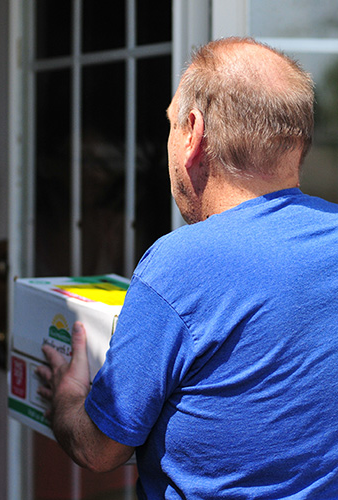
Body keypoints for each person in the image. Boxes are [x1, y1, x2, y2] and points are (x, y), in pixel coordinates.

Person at [37, 37, 338, 499]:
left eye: (172, 125)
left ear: (194, 133)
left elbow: (100, 450)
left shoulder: (181, 265)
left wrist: (67, 395)